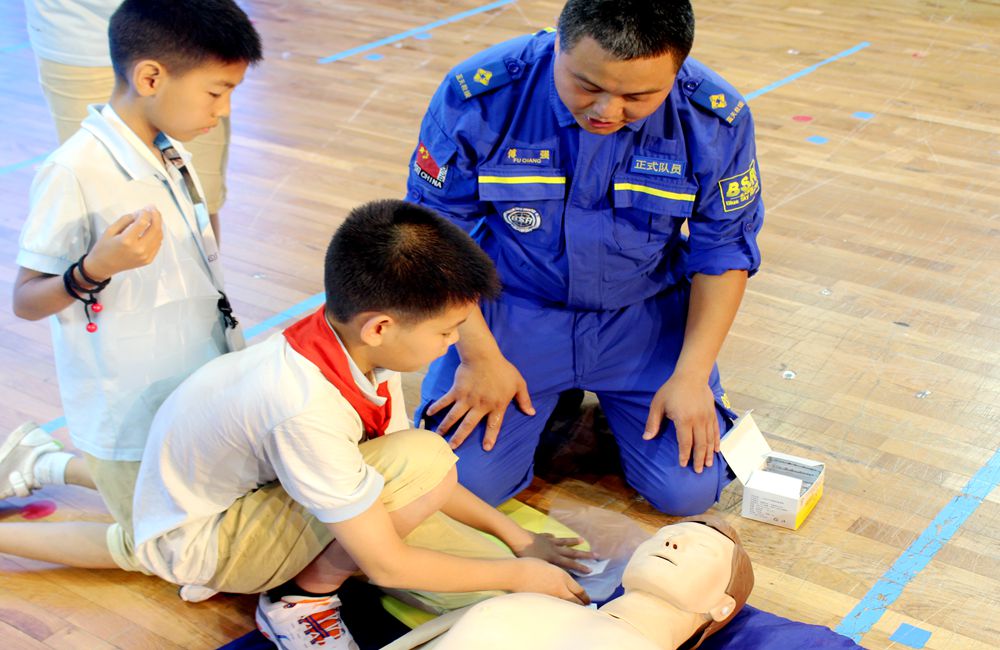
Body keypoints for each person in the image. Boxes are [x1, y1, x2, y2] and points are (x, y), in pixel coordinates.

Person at [123, 201, 591, 649]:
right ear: (380, 328)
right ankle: (302, 599)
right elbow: (387, 565)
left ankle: (305, 573)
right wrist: (517, 573)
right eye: (446, 331)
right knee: (497, 582)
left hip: (239, 504)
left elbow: (419, 474)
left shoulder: (347, 343)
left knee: (436, 477)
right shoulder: (304, 404)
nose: (451, 343)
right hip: (210, 544)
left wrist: (518, 539)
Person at [407, 0, 763, 516]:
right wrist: (480, 356)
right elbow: (432, 236)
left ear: (677, 69)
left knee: (689, 490)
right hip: (512, 310)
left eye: (638, 96)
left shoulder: (714, 117)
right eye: (587, 86)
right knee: (462, 484)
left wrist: (691, 375)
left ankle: (590, 402)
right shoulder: (480, 96)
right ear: (558, 43)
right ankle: (560, 396)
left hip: (644, 317)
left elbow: (725, 251)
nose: (607, 112)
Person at [0, 0, 262, 580]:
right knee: (168, 553)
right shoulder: (74, 170)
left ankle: (42, 463)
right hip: (127, 409)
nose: (223, 110)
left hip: (185, 388)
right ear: (149, 77)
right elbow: (25, 300)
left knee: (195, 502)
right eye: (216, 92)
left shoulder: (170, 150)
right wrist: (95, 267)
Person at [387, 514, 755, 650]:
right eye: (663, 535)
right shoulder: (530, 601)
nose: (671, 542)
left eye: (702, 549)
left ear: (722, 605)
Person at [23, 0, 233, 216]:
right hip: (79, 36)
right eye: (216, 95)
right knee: (98, 209)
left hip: (194, 32)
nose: (223, 108)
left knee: (198, 204)